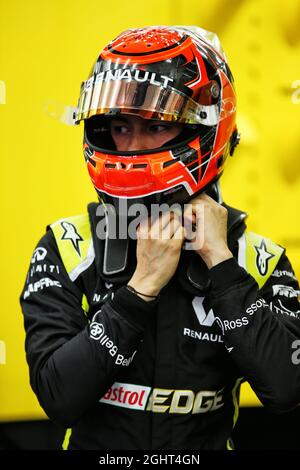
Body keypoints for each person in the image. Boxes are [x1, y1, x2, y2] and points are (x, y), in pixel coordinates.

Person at [20, 25, 300, 450]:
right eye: (119, 126)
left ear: (205, 131)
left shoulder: (255, 258)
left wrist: (223, 268)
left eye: (156, 127)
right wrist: (140, 290)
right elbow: (58, 398)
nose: (130, 147)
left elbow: (286, 390)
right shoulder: (68, 245)